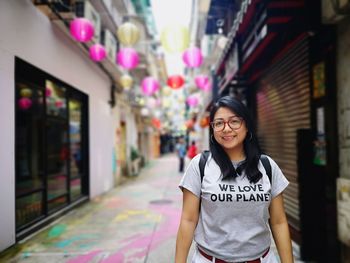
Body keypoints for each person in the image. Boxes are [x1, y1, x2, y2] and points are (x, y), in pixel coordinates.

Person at [175, 96, 293, 263]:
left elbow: (279, 221)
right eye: (219, 123)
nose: (226, 128)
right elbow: (188, 220)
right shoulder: (200, 165)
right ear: (213, 129)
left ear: (246, 126)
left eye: (234, 121)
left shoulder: (267, 166)